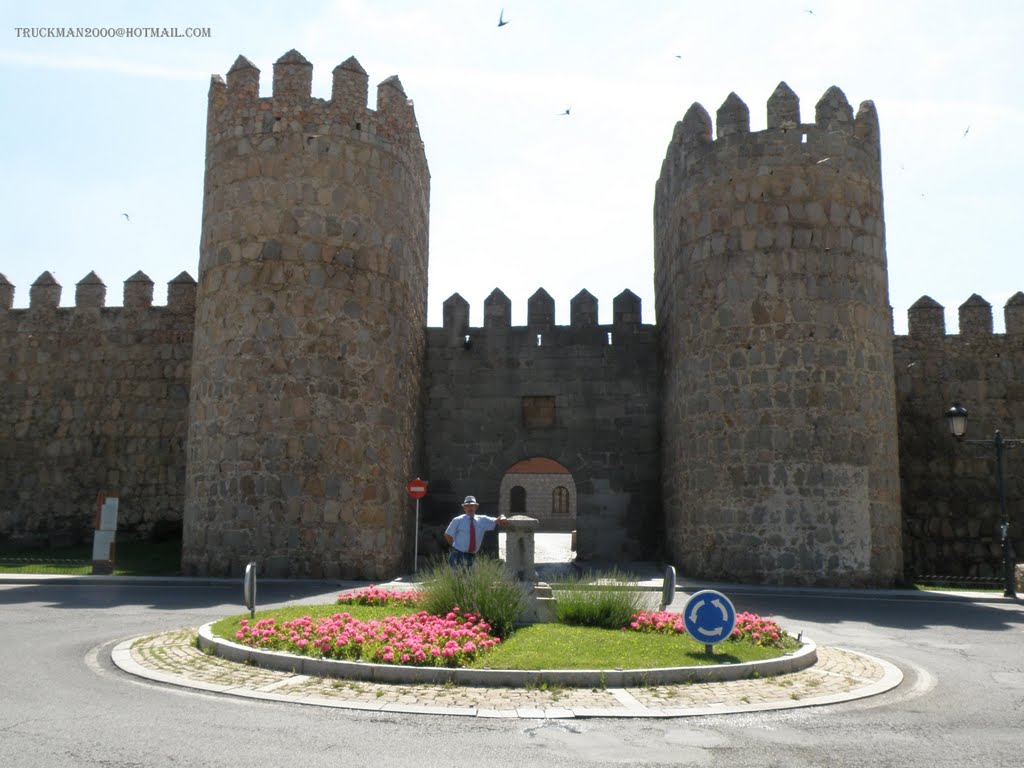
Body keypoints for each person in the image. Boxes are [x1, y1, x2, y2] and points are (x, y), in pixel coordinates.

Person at [444, 495, 508, 567]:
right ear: (464, 508)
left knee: (470, 577)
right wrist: (455, 546)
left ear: (476, 507)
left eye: (472, 506)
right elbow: (448, 534)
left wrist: (502, 517)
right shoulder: (457, 520)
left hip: (472, 556)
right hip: (458, 554)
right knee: (457, 577)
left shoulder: (482, 520)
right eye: (467, 506)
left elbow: (497, 520)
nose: (470, 508)